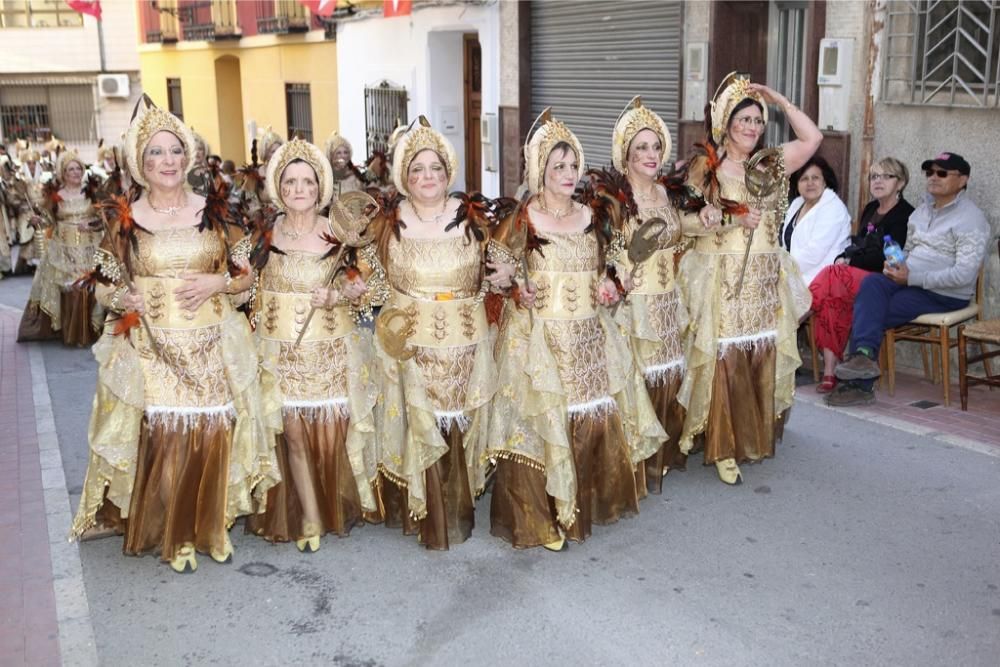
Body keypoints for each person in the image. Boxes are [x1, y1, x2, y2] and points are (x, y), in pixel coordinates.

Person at [69, 97, 279, 574]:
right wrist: (122, 300)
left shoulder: (218, 212)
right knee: (166, 434)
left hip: (211, 339)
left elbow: (249, 276)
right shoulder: (124, 220)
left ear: (189, 158)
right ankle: (176, 532)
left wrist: (219, 282)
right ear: (141, 165)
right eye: (156, 154)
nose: (167, 161)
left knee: (213, 429)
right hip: (153, 345)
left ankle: (212, 526)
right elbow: (102, 285)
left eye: (175, 151)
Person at [486, 109, 666, 550]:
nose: (567, 174)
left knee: (590, 417)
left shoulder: (594, 215)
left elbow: (617, 265)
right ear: (538, 171)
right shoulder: (521, 219)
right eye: (557, 167)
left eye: (572, 166)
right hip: (540, 340)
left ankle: (583, 502)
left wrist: (610, 285)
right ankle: (542, 516)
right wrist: (515, 291)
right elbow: (495, 273)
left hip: (588, 336)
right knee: (542, 423)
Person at [675, 72, 819, 484]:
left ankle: (749, 432)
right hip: (721, 276)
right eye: (744, 119)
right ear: (726, 123)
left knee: (756, 352)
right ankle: (723, 444)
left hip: (762, 278)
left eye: (758, 120)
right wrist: (724, 218)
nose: (752, 127)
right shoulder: (708, 164)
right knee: (725, 359)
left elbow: (811, 141)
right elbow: (685, 221)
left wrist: (780, 100)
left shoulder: (772, 162)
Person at [244, 139, 382, 552]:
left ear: (321, 186)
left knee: (330, 433)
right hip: (278, 351)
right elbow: (245, 284)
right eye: (290, 181)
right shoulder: (264, 234)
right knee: (293, 435)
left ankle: (333, 504)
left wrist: (338, 295)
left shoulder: (341, 233)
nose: (298, 189)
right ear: (278, 187)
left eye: (307, 181)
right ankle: (309, 515)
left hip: (329, 352)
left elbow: (372, 286)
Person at [370, 117, 496, 550]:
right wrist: (352, 289)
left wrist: (507, 275)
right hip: (411, 341)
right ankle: (425, 514)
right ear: (405, 176)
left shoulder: (472, 218)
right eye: (418, 169)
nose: (427, 177)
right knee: (420, 422)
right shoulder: (387, 223)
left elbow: (495, 271)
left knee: (457, 423)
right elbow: (370, 281)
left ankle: (456, 512)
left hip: (463, 337)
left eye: (436, 169)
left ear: (449, 173)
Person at [827, 152, 990, 406]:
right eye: (930, 173)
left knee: (874, 309)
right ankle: (862, 359)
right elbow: (909, 252)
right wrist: (896, 266)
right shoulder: (921, 213)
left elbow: (963, 275)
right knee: (870, 285)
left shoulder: (971, 219)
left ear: (962, 180)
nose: (934, 178)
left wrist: (911, 277)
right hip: (908, 282)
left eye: (942, 173)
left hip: (945, 295)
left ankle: (859, 381)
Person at [600, 96, 688, 490]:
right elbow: (605, 252)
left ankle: (659, 458)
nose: (651, 155)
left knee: (666, 376)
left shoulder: (666, 194)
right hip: (634, 303)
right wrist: (619, 277)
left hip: (668, 298)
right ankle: (632, 460)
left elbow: (678, 235)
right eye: (641, 148)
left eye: (656, 146)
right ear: (626, 155)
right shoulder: (614, 201)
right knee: (636, 380)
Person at [808, 157, 913, 392]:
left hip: (882, 280)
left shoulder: (905, 214)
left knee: (832, 276)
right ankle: (830, 371)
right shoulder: (871, 209)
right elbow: (858, 243)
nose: (878, 181)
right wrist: (846, 257)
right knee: (833, 298)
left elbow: (889, 257)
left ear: (901, 183)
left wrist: (849, 261)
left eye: (886, 176)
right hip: (855, 277)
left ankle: (801, 310)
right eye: (874, 176)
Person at [17, 151, 105, 345]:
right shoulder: (55, 196)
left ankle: (93, 328)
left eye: (78, 168)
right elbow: (49, 220)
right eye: (70, 169)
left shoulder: (92, 192)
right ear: (63, 174)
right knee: (70, 288)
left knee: (91, 285)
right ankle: (73, 332)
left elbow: (104, 219)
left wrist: (91, 225)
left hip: (90, 247)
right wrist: (36, 220)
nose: (75, 172)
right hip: (63, 250)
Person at [780, 155, 850, 285]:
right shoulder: (797, 204)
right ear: (797, 184)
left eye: (815, 178)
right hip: (791, 280)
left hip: (819, 283)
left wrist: (780, 268)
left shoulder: (833, 207)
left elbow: (813, 254)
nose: (810, 183)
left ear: (825, 182)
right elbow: (786, 246)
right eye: (804, 179)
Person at [323, 132, 366, 197]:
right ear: (331, 156)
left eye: (345, 152)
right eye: (338, 153)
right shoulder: (327, 177)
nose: (343, 156)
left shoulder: (355, 174)